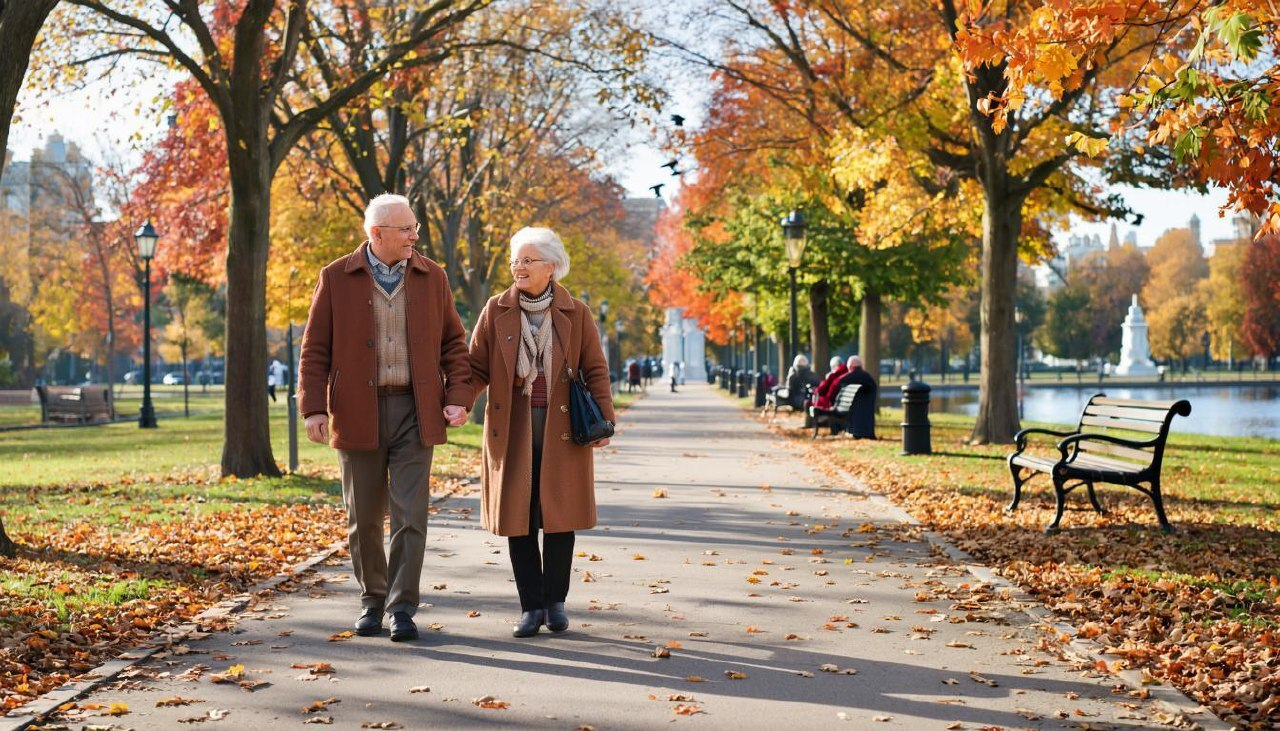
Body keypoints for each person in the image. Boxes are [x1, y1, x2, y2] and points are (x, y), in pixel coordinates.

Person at [298, 193, 472, 643]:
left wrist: (458, 397)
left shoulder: (432, 277)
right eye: (407, 229)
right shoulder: (336, 277)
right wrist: (313, 407)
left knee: (411, 514)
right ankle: (372, 600)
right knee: (365, 517)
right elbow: (315, 348)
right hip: (358, 412)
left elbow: (455, 343)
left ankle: (402, 607)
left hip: (417, 410)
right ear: (378, 234)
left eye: (415, 228)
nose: (416, 236)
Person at [468, 227, 614, 638]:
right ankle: (530, 607)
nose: (518, 267)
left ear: (551, 267)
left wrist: (606, 419)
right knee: (519, 518)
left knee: (558, 516)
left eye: (528, 260)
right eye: (516, 259)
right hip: (512, 428)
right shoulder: (496, 310)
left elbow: (595, 369)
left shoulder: (577, 312)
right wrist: (458, 401)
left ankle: (556, 602)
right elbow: (475, 367)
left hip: (562, 429)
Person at [831, 355, 879, 438]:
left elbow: (837, 383)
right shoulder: (866, 376)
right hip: (866, 411)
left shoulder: (852, 376)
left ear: (851, 366)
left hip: (852, 411)